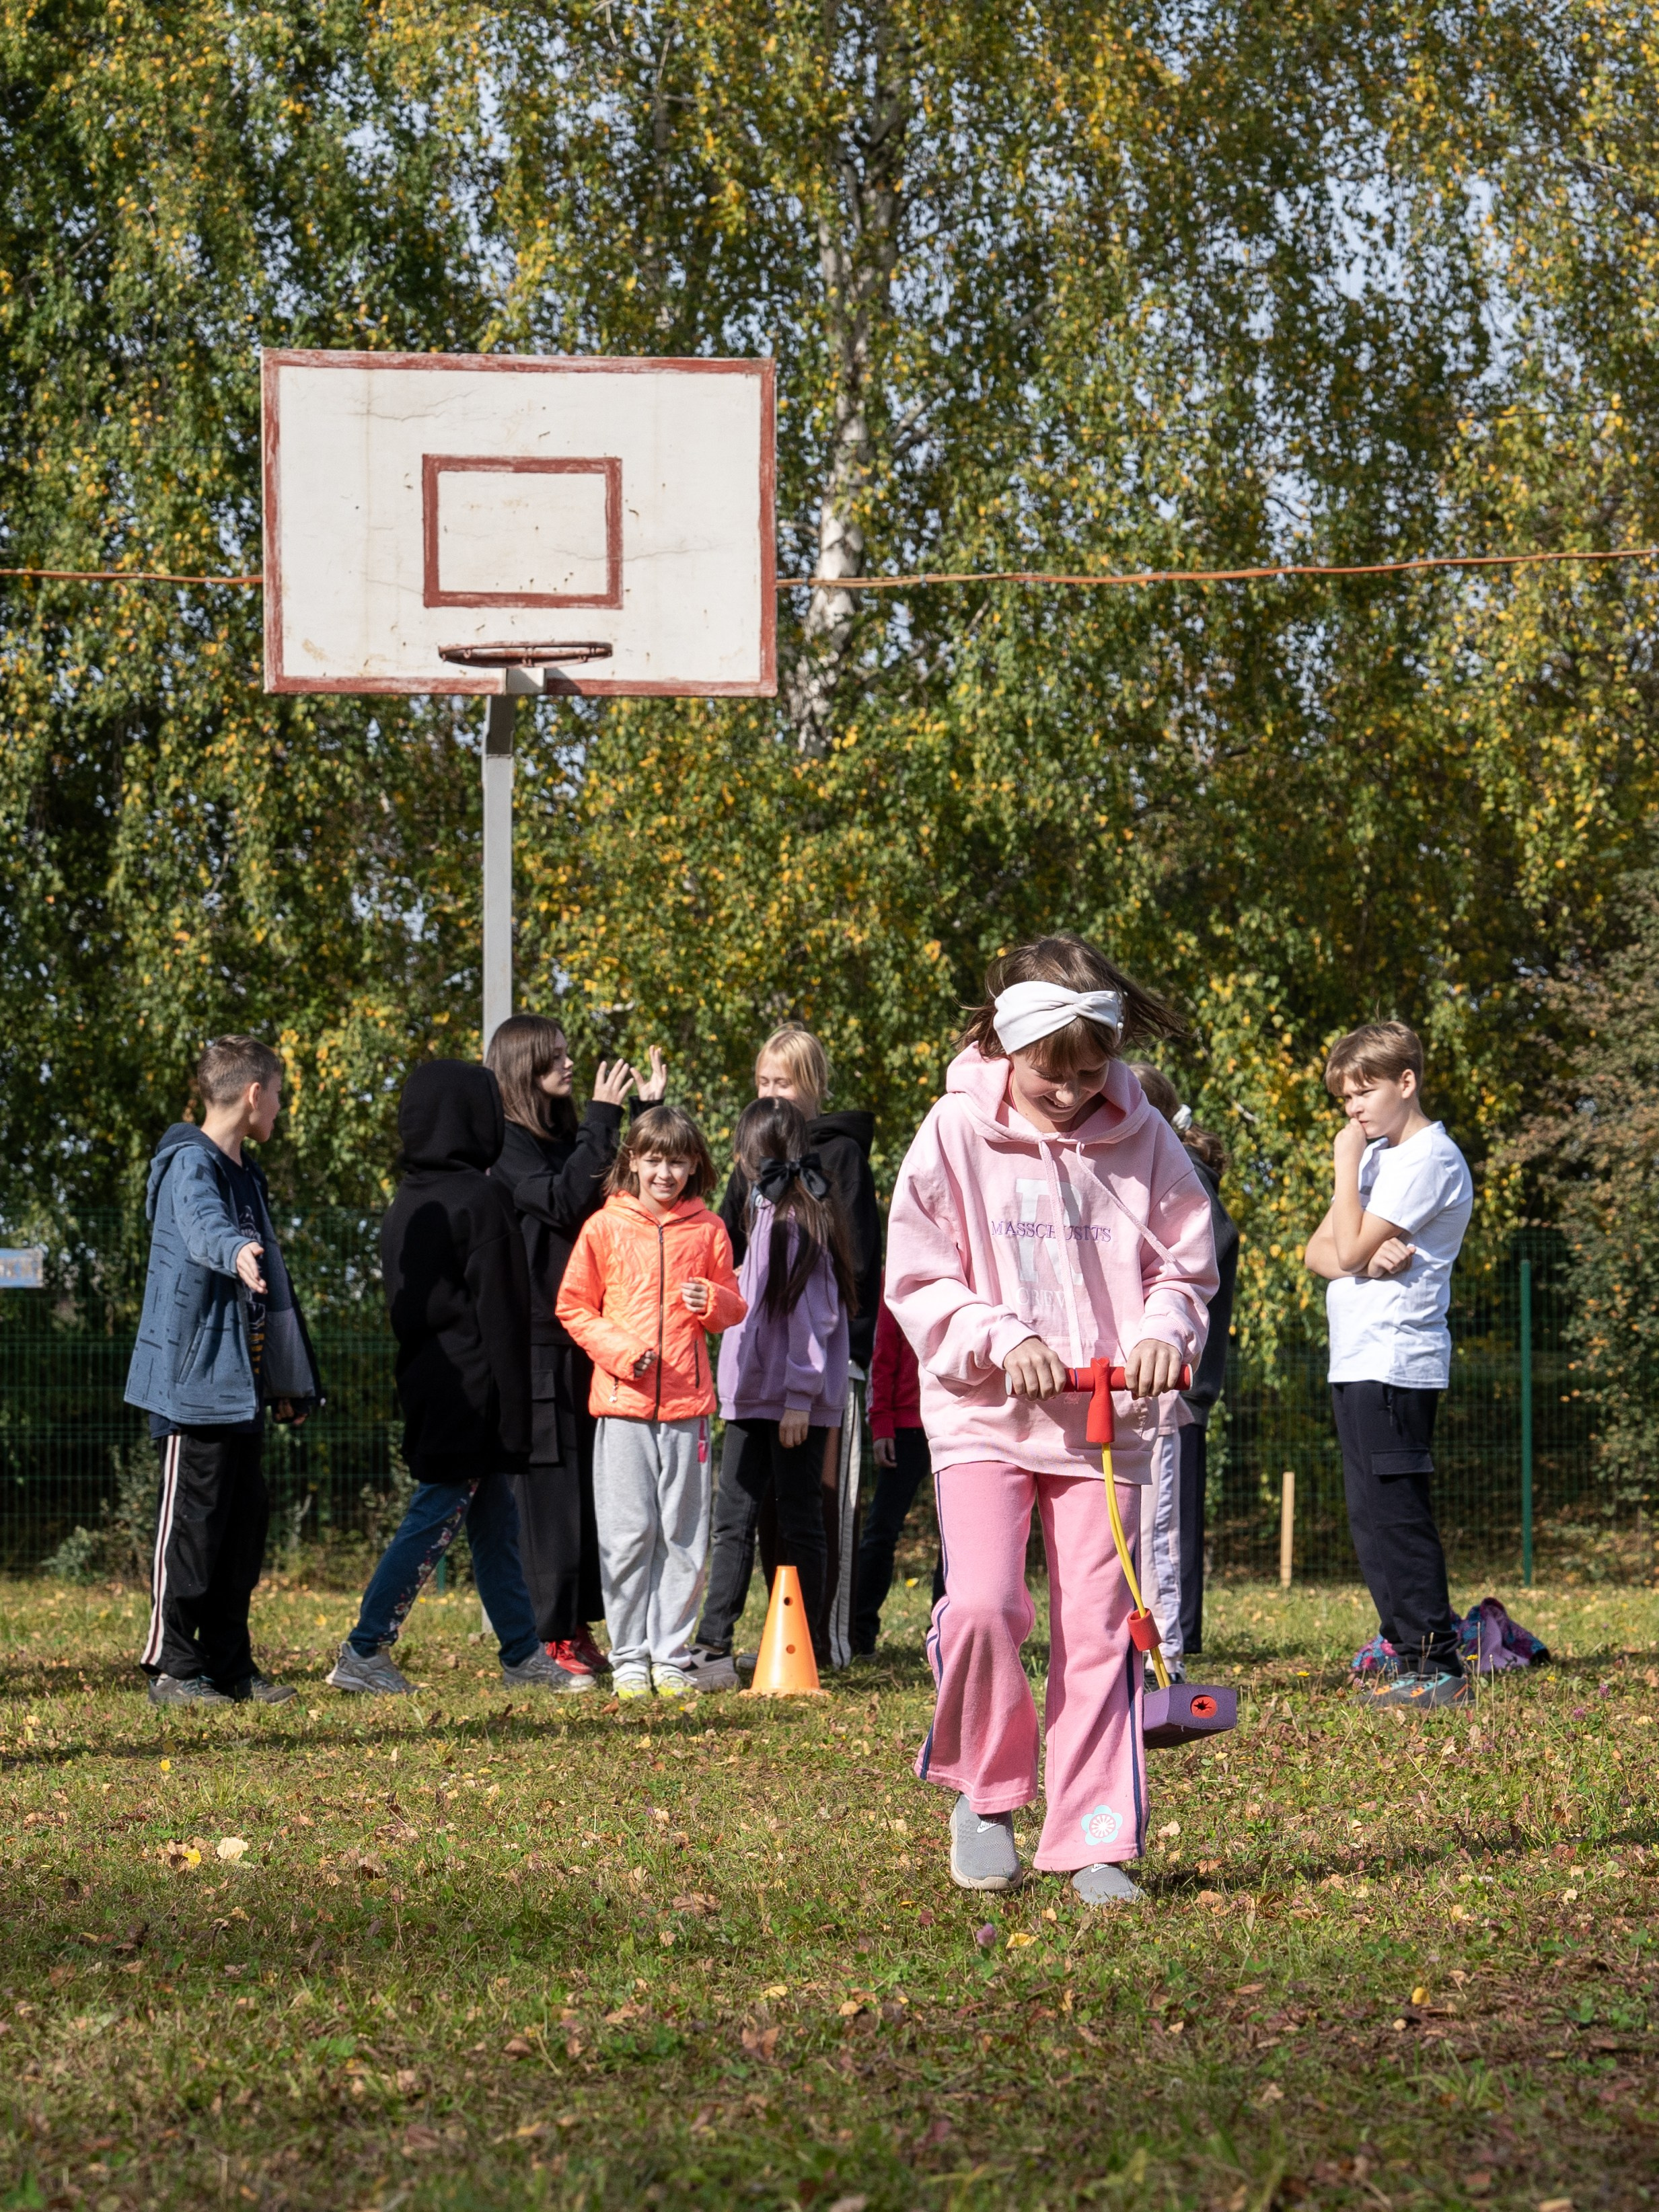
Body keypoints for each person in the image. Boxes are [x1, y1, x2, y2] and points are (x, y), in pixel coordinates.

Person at [886, 933, 1217, 1904]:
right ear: (1004, 1042)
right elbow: (916, 1273)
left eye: (1088, 1071)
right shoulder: (950, 1132)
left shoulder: (1144, 1133)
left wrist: (1163, 1328)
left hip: (1105, 1421)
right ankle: (984, 1798)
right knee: (985, 1604)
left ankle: (1091, 1835)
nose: (1071, 1091)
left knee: (1097, 1629)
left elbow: (1183, 1263)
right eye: (1048, 1072)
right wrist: (996, 1336)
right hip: (987, 1413)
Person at [328, 1060, 573, 1697]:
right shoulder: (482, 1199)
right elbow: (503, 1316)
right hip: (475, 1396)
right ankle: (365, 1647)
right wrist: (514, 1417)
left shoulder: (404, 1203)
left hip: (432, 1385)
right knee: (436, 1513)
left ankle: (521, 1654)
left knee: (494, 1523)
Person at [125, 1036, 322, 1707]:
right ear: (253, 1094)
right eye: (279, 1094)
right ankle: (175, 1667)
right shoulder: (189, 1164)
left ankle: (231, 1666)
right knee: (193, 1529)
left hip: (241, 1386)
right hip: (193, 1387)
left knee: (242, 1531)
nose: (281, 1108)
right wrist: (236, 1248)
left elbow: (274, 1286)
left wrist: (288, 1382)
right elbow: (202, 1225)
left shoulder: (247, 1172)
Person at [487, 1014, 668, 1685]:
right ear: (524, 1068)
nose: (569, 1066)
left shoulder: (569, 1136)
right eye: (555, 1059)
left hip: (592, 1333)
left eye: (568, 1055)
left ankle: (577, 1625)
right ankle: (547, 1633)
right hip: (536, 1341)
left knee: (593, 1490)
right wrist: (602, 1113)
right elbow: (566, 1203)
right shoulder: (505, 1146)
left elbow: (634, 1187)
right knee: (549, 1492)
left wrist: (646, 1109)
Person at [1303, 1021, 1474, 1711]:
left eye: (1363, 1092)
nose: (1353, 1110)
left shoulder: (1428, 1158)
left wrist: (1346, 1169)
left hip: (1397, 1362)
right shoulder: (1381, 1160)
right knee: (1369, 1517)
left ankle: (1438, 1664)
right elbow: (1320, 1250)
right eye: (1344, 1098)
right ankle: (1404, 1649)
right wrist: (1364, 1252)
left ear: (1407, 1082)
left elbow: (1339, 1251)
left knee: (1397, 1515)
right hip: (1359, 1361)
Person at [555, 1106, 745, 1700]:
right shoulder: (603, 1228)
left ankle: (670, 1656)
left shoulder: (710, 1229)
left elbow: (733, 1310)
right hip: (621, 1407)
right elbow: (574, 1307)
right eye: (654, 1159)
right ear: (632, 1161)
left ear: (695, 1165)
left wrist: (710, 1298)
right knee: (626, 1534)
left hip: (688, 1408)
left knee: (684, 1536)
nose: (666, 1172)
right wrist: (620, 1351)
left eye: (678, 1161)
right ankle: (630, 1655)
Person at [718, 1025, 879, 1665]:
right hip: (758, 1372)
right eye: (762, 1081)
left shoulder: (840, 1160)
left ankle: (829, 1640)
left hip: (826, 1366)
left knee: (820, 1502)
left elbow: (857, 1267)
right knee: (758, 1512)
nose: (771, 1092)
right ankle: (777, 1635)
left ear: (811, 1086)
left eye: (782, 1082)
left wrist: (844, 1358)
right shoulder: (752, 1165)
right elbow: (735, 1257)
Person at [694, 1098, 857, 1683]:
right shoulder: (763, 1211)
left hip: (790, 1404)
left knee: (798, 1518)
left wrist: (798, 1398)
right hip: (750, 1397)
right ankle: (712, 1643)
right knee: (733, 1517)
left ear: (753, 1155)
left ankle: (804, 1647)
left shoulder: (799, 1220)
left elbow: (815, 1319)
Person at [1126, 1064, 1239, 1677]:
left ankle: (1167, 1660)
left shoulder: (1181, 1173)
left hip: (1169, 1384)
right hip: (1131, 1387)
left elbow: (1198, 1271)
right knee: (1140, 1528)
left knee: (1163, 1529)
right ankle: (1141, 1651)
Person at [850, 1279, 943, 1655]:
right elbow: (882, 1354)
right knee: (881, 1530)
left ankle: (947, 1636)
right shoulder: (896, 1276)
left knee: (957, 1539)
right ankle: (858, 1633)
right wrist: (881, 1422)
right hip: (905, 1427)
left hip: (955, 1423)